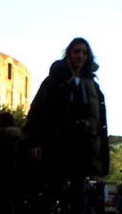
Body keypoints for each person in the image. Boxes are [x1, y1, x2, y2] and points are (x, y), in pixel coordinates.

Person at [24, 38, 109, 214]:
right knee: (52, 190)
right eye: (76, 51)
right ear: (69, 54)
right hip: (58, 144)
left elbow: (100, 123)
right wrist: (36, 142)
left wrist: (102, 158)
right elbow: (38, 112)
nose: (80, 56)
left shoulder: (93, 86)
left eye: (84, 52)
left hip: (83, 146)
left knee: (79, 196)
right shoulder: (54, 82)